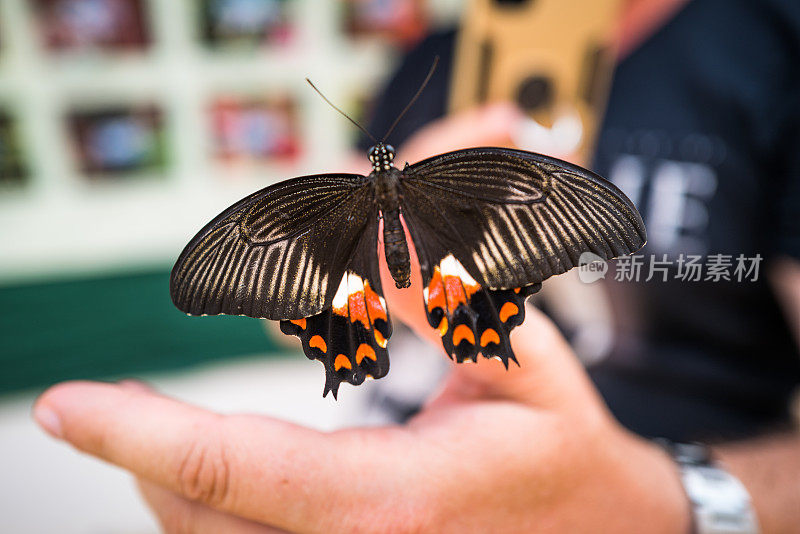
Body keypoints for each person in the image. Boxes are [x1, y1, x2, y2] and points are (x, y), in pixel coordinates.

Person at [34, 0, 800, 532]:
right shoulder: (429, 60)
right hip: (383, 451)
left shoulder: (773, 45)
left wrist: (667, 509)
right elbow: (285, 319)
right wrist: (317, 249)